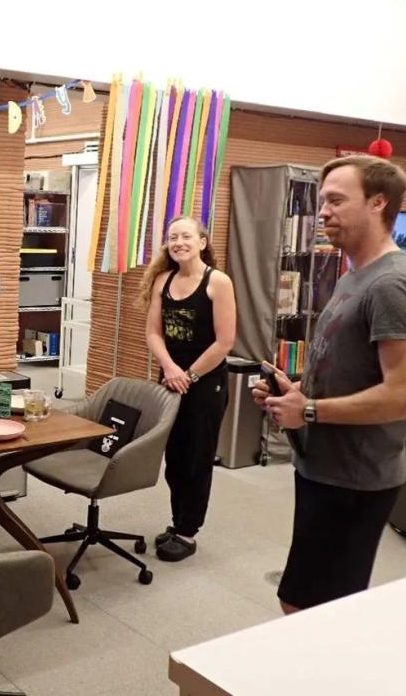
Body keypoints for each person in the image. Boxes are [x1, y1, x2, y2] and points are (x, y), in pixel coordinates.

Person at [251, 155, 406, 614]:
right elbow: (350, 368)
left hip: (355, 479)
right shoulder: (356, 274)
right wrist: (292, 391)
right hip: (325, 468)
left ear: (377, 202)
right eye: (322, 199)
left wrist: (308, 410)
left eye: (335, 200)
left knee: (315, 609)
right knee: (307, 603)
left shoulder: (393, 284)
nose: (323, 211)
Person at [140, 216, 236, 561]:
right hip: (170, 379)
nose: (178, 242)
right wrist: (170, 368)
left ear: (202, 242)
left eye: (186, 236)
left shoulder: (217, 282)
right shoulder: (163, 280)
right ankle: (178, 519)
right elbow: (154, 333)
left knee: (196, 458)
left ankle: (187, 531)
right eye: (172, 237)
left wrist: (189, 376)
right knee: (175, 457)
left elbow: (225, 342)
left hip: (205, 383)